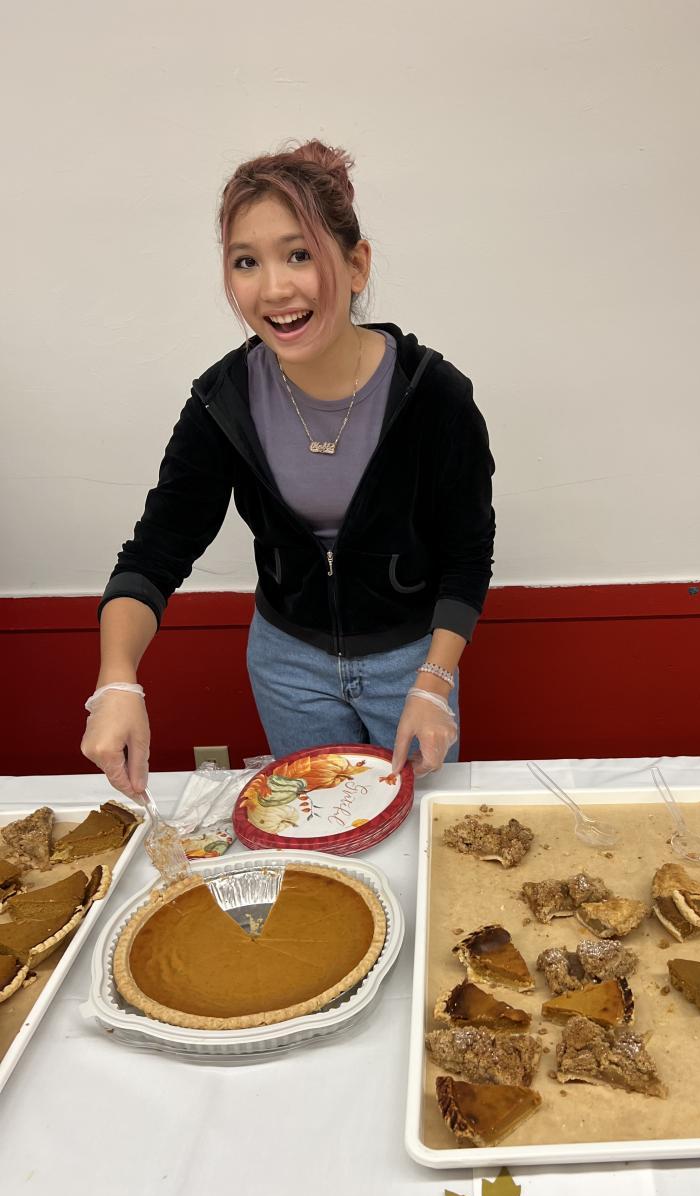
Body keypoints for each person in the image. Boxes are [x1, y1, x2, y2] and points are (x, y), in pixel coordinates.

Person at [81, 139, 495, 799]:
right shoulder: (224, 401)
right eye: (246, 261)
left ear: (356, 265)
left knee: (417, 828)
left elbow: (467, 555)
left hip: (412, 662)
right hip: (287, 664)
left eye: (299, 254)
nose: (274, 289)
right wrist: (116, 681)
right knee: (314, 829)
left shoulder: (433, 395)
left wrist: (434, 681)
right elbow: (156, 551)